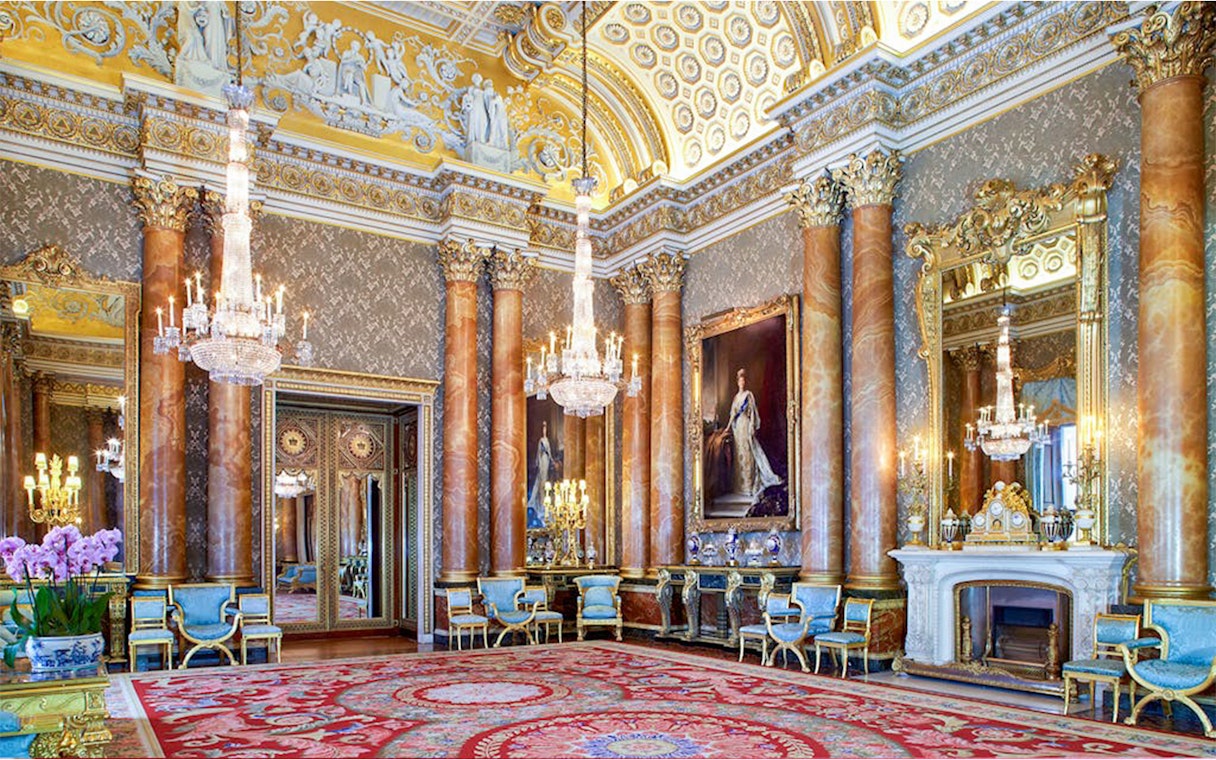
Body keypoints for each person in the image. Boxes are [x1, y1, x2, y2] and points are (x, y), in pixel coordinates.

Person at [729, 368, 782, 503]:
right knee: (739, 455)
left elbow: (752, 412)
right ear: (737, 383)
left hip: (746, 425)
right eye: (740, 381)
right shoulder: (736, 397)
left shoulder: (748, 395)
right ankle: (740, 487)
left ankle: (749, 486)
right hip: (737, 429)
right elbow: (732, 415)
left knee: (748, 455)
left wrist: (752, 427)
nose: (742, 383)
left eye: (743, 381)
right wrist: (728, 428)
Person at [526, 420, 553, 528]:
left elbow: (549, 452)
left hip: (546, 458)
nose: (544, 430)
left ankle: (544, 498)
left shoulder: (547, 441)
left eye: (545, 428)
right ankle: (540, 498)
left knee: (545, 477)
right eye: (543, 428)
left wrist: (551, 459)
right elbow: (539, 452)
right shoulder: (541, 440)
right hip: (542, 459)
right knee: (541, 477)